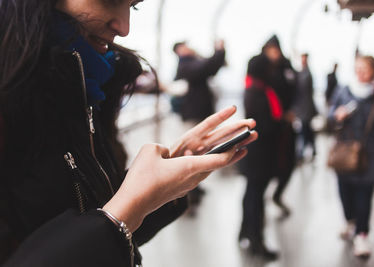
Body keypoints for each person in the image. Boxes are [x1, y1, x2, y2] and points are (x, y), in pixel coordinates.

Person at [0, 0, 258, 266]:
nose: (124, 28)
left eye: (133, 6)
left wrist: (155, 192)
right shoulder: (77, 81)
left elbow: (84, 215)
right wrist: (119, 215)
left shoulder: (90, 85)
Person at [328, 55, 374, 258]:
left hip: (373, 154)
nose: (360, 73)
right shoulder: (344, 89)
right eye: (357, 68)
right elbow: (330, 116)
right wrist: (336, 115)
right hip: (345, 152)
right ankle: (350, 220)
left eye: (365, 69)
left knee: (364, 196)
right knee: (344, 192)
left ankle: (362, 234)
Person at [238, 34, 296, 261]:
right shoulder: (260, 94)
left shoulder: (254, 89)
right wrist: (283, 122)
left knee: (251, 194)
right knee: (255, 198)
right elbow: (266, 126)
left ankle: (244, 233)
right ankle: (256, 241)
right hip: (260, 155)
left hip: (255, 155)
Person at [172, 40, 226, 213]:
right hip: (192, 116)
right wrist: (218, 51)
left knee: (198, 152)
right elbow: (207, 67)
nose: (189, 47)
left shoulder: (190, 64)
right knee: (192, 153)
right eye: (185, 46)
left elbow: (210, 67)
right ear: (179, 50)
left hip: (197, 114)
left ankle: (194, 187)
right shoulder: (185, 66)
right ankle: (189, 190)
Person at [292, 53, 317, 160]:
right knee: (306, 130)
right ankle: (308, 150)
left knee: (305, 130)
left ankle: (301, 152)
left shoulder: (306, 74)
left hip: (305, 108)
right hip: (304, 108)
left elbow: (302, 88)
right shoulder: (303, 72)